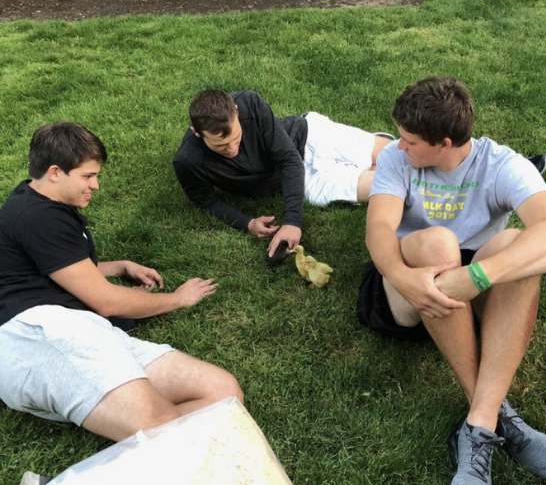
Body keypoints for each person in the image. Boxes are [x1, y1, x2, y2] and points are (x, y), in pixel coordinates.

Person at [358, 76, 546, 484]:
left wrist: (477, 275)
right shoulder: (395, 157)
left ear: (445, 143)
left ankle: (479, 424)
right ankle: (497, 412)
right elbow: (379, 231)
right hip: (406, 285)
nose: (399, 146)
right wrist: (402, 277)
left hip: (471, 287)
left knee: (518, 245)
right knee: (439, 243)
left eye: (410, 140)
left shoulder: (500, 163)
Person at [0, 122, 243, 445]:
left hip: (86, 328)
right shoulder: (38, 217)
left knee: (224, 394)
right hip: (38, 334)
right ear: (55, 172)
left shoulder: (39, 203)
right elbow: (108, 302)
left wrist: (119, 266)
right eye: (88, 176)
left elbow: (56, 266)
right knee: (162, 427)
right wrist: (177, 299)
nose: (95, 185)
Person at [173, 89, 395, 259]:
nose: (232, 149)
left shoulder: (249, 102)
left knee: (395, 156)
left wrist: (292, 221)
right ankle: (362, 168)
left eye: (236, 139)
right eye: (221, 146)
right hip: (301, 181)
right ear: (196, 133)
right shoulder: (188, 161)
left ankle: (371, 156)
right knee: (385, 183)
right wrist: (247, 223)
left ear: (236, 111)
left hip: (309, 136)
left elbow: (289, 159)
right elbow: (206, 201)